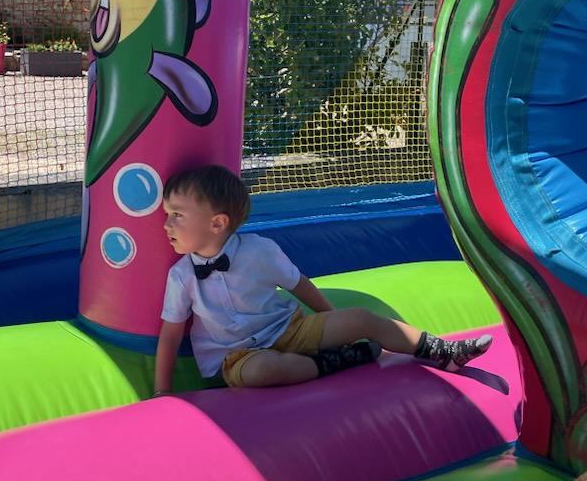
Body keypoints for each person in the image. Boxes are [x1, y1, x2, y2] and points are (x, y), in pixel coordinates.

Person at [153, 164, 492, 394]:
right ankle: (336, 361)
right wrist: (162, 391)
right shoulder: (181, 276)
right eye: (168, 214)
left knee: (360, 318)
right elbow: (170, 334)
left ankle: (442, 350)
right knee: (264, 372)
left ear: (217, 223)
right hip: (239, 356)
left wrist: (333, 323)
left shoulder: (259, 251)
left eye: (177, 215)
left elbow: (298, 283)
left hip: (290, 329)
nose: (167, 224)